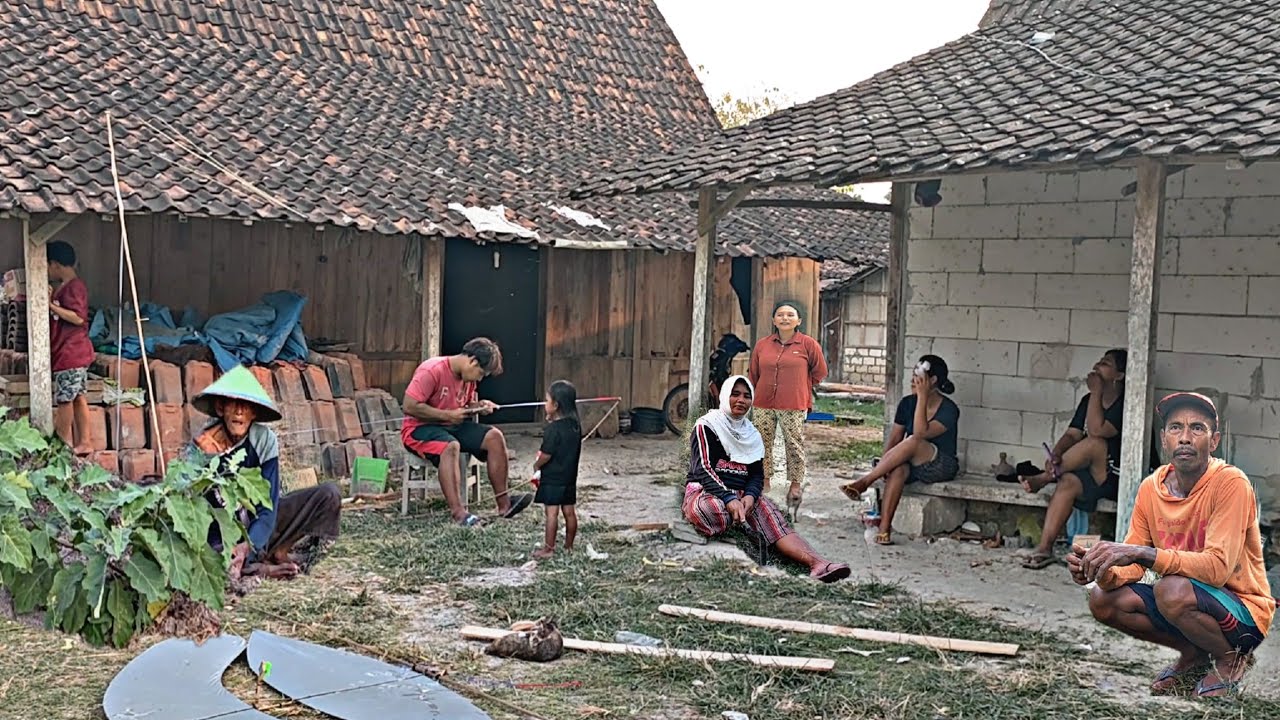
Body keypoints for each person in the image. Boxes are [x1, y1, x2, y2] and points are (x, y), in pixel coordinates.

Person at [1069, 392, 1274, 698]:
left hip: (1242, 613)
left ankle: (1232, 658)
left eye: (1198, 429)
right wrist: (1101, 569)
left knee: (1171, 589)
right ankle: (1193, 655)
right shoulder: (1152, 488)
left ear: (1214, 441)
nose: (1185, 438)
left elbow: (1217, 569)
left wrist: (1141, 552)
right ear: (1164, 439)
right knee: (1102, 598)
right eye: (1176, 428)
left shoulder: (1231, 484)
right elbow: (1133, 563)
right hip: (1185, 603)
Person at [683, 375, 850, 583]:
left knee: (774, 519)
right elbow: (703, 469)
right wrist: (728, 498)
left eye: (746, 396)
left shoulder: (751, 434)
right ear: (725, 396)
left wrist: (751, 496)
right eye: (735, 395)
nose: (741, 401)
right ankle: (742, 527)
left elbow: (756, 474)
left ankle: (818, 564)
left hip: (742, 496)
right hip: (708, 492)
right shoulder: (706, 426)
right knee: (711, 509)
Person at [186, 366, 342, 580]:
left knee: (328, 494)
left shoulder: (264, 440)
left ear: (254, 413)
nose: (239, 411)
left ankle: (277, 552)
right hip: (223, 531)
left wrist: (249, 546)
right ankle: (261, 569)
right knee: (210, 561)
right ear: (221, 408)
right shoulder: (203, 445)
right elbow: (192, 507)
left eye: (246, 406)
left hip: (261, 524)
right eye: (233, 403)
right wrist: (205, 459)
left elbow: (268, 508)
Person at [400, 337, 533, 526]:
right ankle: (459, 514)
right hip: (419, 429)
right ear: (472, 361)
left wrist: (479, 406)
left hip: (451, 425)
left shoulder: (467, 378)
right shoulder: (431, 370)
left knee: (494, 437)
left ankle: (505, 505)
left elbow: (465, 404)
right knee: (451, 446)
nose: (480, 379)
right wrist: (447, 415)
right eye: (481, 373)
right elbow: (409, 406)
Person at [1018, 349, 1127, 570]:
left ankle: (1045, 477)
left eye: (1105, 364)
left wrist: (1096, 393)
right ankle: (1044, 548)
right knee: (1067, 482)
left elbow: (1097, 431)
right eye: (1098, 361)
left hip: (1120, 475)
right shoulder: (1088, 400)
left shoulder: (1124, 402)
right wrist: (1057, 454)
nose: (1097, 366)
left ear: (1119, 376)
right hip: (1094, 470)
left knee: (1095, 443)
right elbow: (1072, 434)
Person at [839, 355, 959, 545]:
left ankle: (865, 481)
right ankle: (884, 529)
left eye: (918, 377)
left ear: (933, 380)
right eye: (913, 375)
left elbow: (921, 433)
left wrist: (922, 397)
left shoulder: (949, 409)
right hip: (911, 463)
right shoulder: (906, 403)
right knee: (898, 469)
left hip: (940, 465)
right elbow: (895, 439)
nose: (913, 380)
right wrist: (886, 462)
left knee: (914, 440)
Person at [748, 301, 828, 508]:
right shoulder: (762, 345)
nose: (785, 318)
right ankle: (764, 480)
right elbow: (754, 373)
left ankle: (795, 483)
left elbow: (820, 372)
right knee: (761, 443)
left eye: (790, 315)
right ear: (774, 320)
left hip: (793, 402)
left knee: (793, 443)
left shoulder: (807, 344)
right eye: (780, 315)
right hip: (763, 401)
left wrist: (802, 386)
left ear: (798, 321)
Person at [46, 240, 94, 456]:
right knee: (78, 397)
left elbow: (77, 318)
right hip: (71, 352)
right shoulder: (64, 287)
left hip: (71, 353)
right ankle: (85, 441)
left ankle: (62, 444)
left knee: (65, 399)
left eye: (47, 265)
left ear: (55, 264)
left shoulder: (75, 287)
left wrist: (49, 305)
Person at [531, 380, 582, 559]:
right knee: (569, 512)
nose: (544, 404)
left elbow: (546, 454)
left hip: (553, 478)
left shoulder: (553, 430)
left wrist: (537, 465)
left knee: (551, 513)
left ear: (556, 405)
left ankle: (549, 549)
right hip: (569, 477)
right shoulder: (575, 426)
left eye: (547, 400)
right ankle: (569, 547)